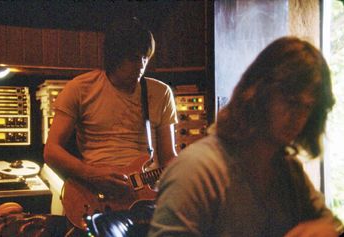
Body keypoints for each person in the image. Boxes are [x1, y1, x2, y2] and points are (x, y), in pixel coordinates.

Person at [148, 37, 343, 237]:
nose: (298, 117)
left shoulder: (288, 171)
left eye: (307, 107)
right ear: (260, 94)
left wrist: (325, 230)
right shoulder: (197, 170)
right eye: (290, 102)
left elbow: (330, 225)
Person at [44, 17, 178, 234]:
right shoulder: (80, 89)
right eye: (134, 58)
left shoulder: (160, 93)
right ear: (115, 57)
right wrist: (93, 175)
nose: (142, 66)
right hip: (94, 198)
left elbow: (169, 157)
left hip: (145, 199)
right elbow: (51, 151)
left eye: (146, 58)